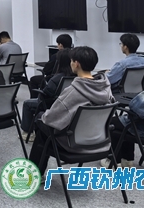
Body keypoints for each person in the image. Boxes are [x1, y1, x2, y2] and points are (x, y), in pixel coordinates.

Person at [28, 46, 114, 177]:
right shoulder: (105, 88)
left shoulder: (73, 92)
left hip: (74, 143)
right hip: (100, 142)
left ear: (76, 64)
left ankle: (34, 174)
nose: (70, 63)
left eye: (71, 61)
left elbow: (51, 119)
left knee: (41, 124)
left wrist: (41, 117)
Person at [20, 49, 74, 140]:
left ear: (59, 62)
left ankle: (27, 133)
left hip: (51, 104)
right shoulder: (75, 77)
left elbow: (45, 94)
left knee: (27, 104)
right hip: (68, 104)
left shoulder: (56, 78)